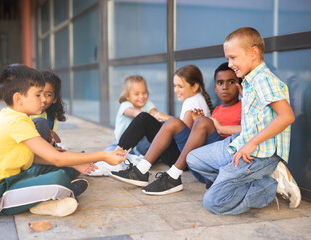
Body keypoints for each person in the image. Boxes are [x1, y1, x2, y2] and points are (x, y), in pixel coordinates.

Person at [0, 64, 126, 217]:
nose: (43, 100)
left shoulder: (14, 116)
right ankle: (56, 196)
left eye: (45, 95)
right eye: (38, 95)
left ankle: (46, 199)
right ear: (18, 98)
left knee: (69, 166)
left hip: (13, 179)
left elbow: (37, 156)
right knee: (58, 178)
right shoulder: (16, 122)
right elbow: (57, 158)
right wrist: (104, 156)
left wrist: (74, 162)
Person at [187, 27, 301, 215]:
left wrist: (252, 143)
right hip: (239, 143)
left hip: (258, 155)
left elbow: (287, 116)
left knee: (213, 202)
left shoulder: (264, 80)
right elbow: (256, 121)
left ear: (253, 53)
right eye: (228, 58)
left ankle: (269, 186)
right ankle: (246, 180)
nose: (229, 63)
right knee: (194, 158)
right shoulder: (249, 81)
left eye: (233, 57)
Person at [110, 63, 242, 195]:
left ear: (240, 85)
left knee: (196, 122)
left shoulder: (244, 107)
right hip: (199, 161)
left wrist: (219, 127)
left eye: (231, 82)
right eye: (220, 83)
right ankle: (141, 170)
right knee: (173, 122)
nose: (225, 87)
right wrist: (199, 122)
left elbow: (251, 129)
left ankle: (173, 176)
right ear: (215, 87)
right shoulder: (217, 109)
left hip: (217, 163)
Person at [90, 75, 168, 176]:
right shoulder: (126, 105)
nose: (141, 97)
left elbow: (155, 114)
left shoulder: (148, 104)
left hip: (141, 144)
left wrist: (161, 117)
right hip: (123, 144)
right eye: (136, 94)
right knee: (109, 152)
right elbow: (136, 113)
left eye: (144, 92)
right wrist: (147, 118)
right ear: (127, 96)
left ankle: (141, 159)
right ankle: (97, 163)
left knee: (159, 136)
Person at [30, 69, 66, 150]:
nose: (43, 99)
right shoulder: (24, 113)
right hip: (27, 152)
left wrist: (52, 137)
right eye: (38, 94)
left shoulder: (49, 117)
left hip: (42, 151)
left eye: (48, 95)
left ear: (54, 99)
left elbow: (56, 140)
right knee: (41, 122)